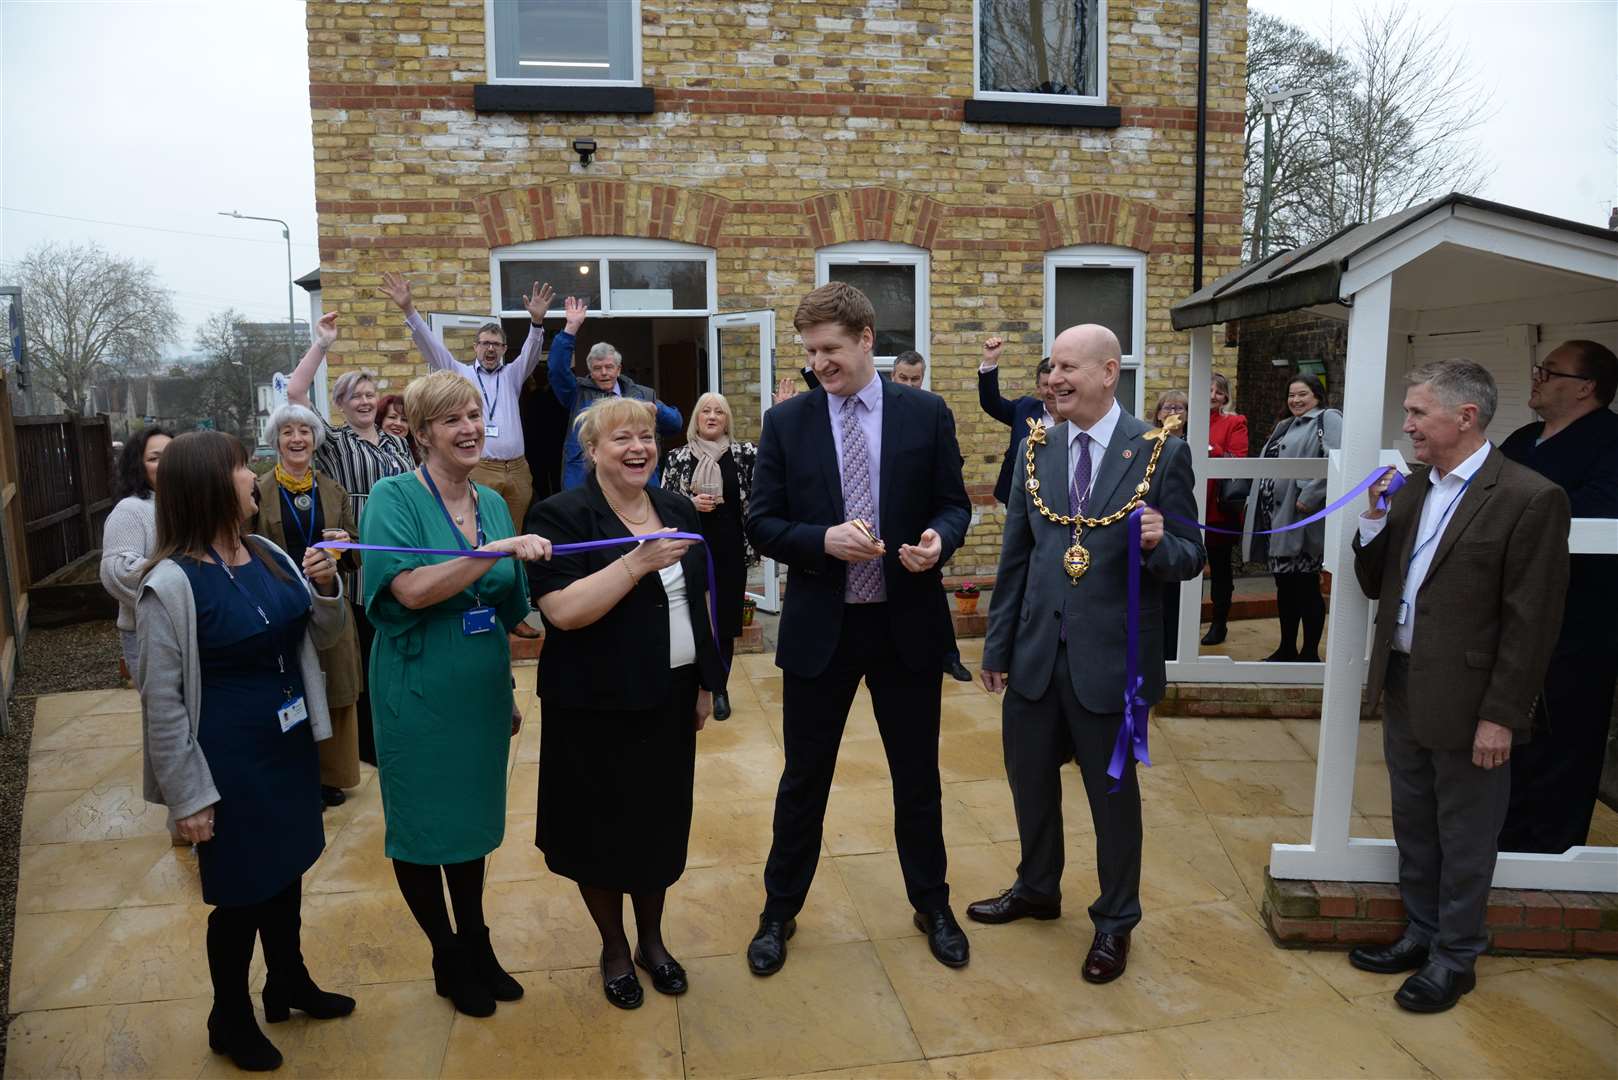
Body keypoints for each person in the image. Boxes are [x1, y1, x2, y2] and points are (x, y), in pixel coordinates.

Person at [744, 283, 973, 975]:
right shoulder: (787, 423)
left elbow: (953, 504)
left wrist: (938, 540)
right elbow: (760, 522)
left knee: (918, 778)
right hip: (823, 629)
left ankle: (932, 903)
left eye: (831, 349)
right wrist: (821, 541)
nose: (820, 364)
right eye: (811, 351)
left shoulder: (926, 412)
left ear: (867, 338)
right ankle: (778, 912)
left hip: (905, 626)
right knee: (804, 780)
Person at [973, 324, 1204, 986]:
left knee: (1112, 798)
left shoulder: (1161, 452)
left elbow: (1194, 557)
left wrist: (1163, 544)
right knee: (1029, 782)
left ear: (1110, 372)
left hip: (1113, 661)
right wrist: (998, 645)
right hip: (1037, 655)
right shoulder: (1036, 448)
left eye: (1070, 367)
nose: (1055, 378)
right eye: (1052, 368)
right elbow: (1017, 554)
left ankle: (1114, 920)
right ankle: (1038, 888)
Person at [1350, 358, 1569, 1014]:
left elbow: (1532, 624)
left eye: (1419, 412)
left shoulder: (1531, 497)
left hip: (1473, 701)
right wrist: (1372, 519)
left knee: (1467, 832)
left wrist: (1503, 714)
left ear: (1465, 416)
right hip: (1402, 681)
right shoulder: (1415, 487)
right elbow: (1373, 583)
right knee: (1415, 821)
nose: (1407, 424)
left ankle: (1456, 955)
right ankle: (1419, 933)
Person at [136, 431, 355, 1071]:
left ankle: (286, 980)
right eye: (238, 467)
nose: (251, 475)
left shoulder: (266, 552)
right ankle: (228, 1017)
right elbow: (162, 702)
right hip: (226, 762)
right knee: (239, 899)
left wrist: (325, 588)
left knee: (285, 874)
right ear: (208, 486)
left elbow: (325, 632)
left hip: (285, 748)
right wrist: (189, 797)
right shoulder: (171, 585)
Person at [359, 370, 553, 1018]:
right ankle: (446, 952)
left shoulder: (493, 502)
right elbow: (409, 591)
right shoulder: (392, 497)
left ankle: (477, 941)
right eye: (452, 420)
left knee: (469, 826)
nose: (470, 428)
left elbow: (508, 610)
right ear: (420, 434)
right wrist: (491, 552)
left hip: (477, 690)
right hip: (415, 689)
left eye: (474, 414)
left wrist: (510, 690)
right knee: (421, 829)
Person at [524, 397, 725, 1009]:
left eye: (646, 437)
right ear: (592, 452)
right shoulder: (561, 516)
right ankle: (614, 946)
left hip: (666, 701)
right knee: (599, 833)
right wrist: (635, 563)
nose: (639, 448)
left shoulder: (676, 507)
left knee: (657, 829)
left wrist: (706, 681)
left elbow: (700, 599)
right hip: (593, 708)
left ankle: (652, 942)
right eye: (621, 440)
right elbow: (562, 612)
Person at [1496, 340, 1618, 853]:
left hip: (1579, 622)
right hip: (1509, 613)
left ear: (1586, 388)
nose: (1538, 377)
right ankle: (1501, 841)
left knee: (1565, 737)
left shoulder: (1611, 441)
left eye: (1550, 371)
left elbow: (1593, 512)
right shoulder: (1524, 439)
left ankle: (1550, 852)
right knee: (1505, 734)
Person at [287, 312, 416, 766]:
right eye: (354, 395)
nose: (364, 401)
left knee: (397, 648)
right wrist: (321, 344)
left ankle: (399, 729)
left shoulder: (397, 444)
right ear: (340, 403)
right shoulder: (335, 442)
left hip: (397, 549)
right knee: (362, 653)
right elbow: (296, 394)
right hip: (358, 555)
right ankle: (368, 745)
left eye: (369, 394)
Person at [252, 403, 364, 810]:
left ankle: (330, 776)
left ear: (315, 440)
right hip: (277, 604)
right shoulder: (256, 491)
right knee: (288, 687)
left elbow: (355, 551)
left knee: (335, 684)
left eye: (304, 431)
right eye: (287, 432)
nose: (297, 439)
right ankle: (294, 775)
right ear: (276, 441)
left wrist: (343, 548)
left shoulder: (333, 489)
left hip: (327, 603)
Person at [379, 271, 555, 530]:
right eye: (485, 344)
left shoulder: (512, 375)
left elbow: (531, 353)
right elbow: (431, 347)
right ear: (475, 347)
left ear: (505, 349)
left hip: (517, 469)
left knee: (513, 530)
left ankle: (511, 570)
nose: (490, 349)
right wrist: (408, 310)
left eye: (496, 344)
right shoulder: (460, 372)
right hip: (481, 467)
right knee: (480, 527)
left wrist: (537, 323)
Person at [662, 392, 758, 721]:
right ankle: (696, 684)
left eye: (719, 411)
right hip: (691, 550)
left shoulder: (744, 455)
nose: (713, 416)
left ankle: (720, 688)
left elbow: (776, 462)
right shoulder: (677, 457)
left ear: (727, 419)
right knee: (694, 617)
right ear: (696, 419)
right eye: (706, 411)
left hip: (729, 549)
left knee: (725, 623)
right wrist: (690, 504)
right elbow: (664, 505)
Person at [888, 350, 976, 683]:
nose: (910, 384)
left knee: (930, 585)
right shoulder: (883, 410)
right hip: (892, 519)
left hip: (927, 520)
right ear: (893, 376)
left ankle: (948, 656)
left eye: (916, 379)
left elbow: (949, 466)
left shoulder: (935, 411)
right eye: (903, 378)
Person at [1248, 373, 1341, 662]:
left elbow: (1338, 459)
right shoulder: (1285, 425)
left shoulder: (1327, 419)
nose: (1296, 400)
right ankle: (1286, 647)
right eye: (1291, 395)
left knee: (1305, 586)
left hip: (1300, 519)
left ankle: (1310, 653)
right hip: (1275, 519)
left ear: (1317, 396)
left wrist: (1308, 497)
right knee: (1285, 587)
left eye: (1302, 394)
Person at [546, 297, 683, 490]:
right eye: (597, 368)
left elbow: (675, 425)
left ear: (619, 369)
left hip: (634, 484)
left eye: (609, 367)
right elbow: (557, 370)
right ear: (590, 371)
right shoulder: (577, 393)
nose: (604, 373)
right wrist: (570, 328)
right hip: (587, 483)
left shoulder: (641, 394)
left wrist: (656, 410)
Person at [101, 425, 173, 678]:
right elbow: (117, 571)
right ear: (138, 466)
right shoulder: (131, 510)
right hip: (148, 635)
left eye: (171, 455)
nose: (165, 464)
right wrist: (180, 583)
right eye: (154, 458)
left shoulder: (185, 504)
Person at [978, 336, 1057, 506]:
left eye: (1055, 385)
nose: (1051, 391)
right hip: (1020, 499)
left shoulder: (1079, 415)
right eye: (1045, 385)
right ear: (1038, 387)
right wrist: (990, 361)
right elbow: (991, 403)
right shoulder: (1024, 408)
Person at [1202, 373, 1250, 646]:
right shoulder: (1185, 417)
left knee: (1220, 568)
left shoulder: (1235, 421)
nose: (1212, 396)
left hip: (1218, 504)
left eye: (1218, 392)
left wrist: (1211, 447)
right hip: (1190, 499)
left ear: (1225, 397)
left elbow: (1238, 458)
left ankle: (1219, 623)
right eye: (1207, 390)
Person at [1152, 390, 1191, 662]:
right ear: (1157, 413)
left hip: (1178, 528)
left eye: (1179, 407)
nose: (1172, 412)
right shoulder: (1148, 442)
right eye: (1167, 407)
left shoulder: (1190, 445)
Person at [377, 392, 420, 462]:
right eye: (392, 417)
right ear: (380, 419)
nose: (398, 423)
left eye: (404, 420)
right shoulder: (370, 451)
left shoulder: (419, 454)